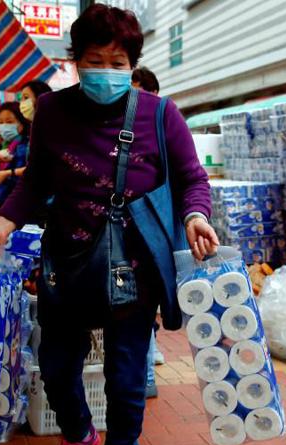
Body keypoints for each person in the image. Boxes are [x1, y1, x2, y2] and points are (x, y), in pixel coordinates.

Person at [0, 4, 218, 445]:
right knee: (58, 366)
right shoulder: (55, 114)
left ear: (132, 62)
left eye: (116, 60)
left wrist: (195, 215)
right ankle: (78, 433)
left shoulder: (158, 114)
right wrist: (4, 222)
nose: (105, 71)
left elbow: (193, 178)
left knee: (126, 375)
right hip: (66, 258)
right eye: (94, 59)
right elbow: (35, 183)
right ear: (75, 60)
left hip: (134, 265)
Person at [131, 66, 166, 398]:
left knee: (145, 304)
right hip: (128, 238)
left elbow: (190, 178)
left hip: (152, 234)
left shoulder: (163, 121)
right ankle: (146, 369)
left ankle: (147, 378)